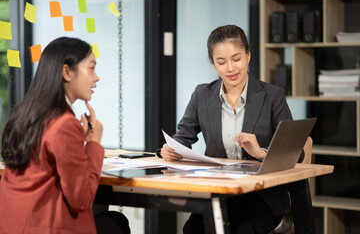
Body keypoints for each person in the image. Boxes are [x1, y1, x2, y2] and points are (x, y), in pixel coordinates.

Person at [158, 25, 304, 234]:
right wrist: (169, 149)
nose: (230, 68)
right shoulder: (202, 95)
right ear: (213, 64)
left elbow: (297, 153)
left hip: (261, 196)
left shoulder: (272, 95)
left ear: (248, 55)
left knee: (239, 230)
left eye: (236, 59)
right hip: (219, 192)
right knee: (192, 230)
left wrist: (260, 153)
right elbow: (183, 137)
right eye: (221, 62)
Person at [0, 37, 129, 234]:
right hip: (48, 227)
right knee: (116, 222)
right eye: (91, 68)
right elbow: (81, 200)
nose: (97, 78)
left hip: (14, 226)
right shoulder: (64, 124)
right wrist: (93, 144)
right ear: (67, 72)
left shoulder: (24, 115)